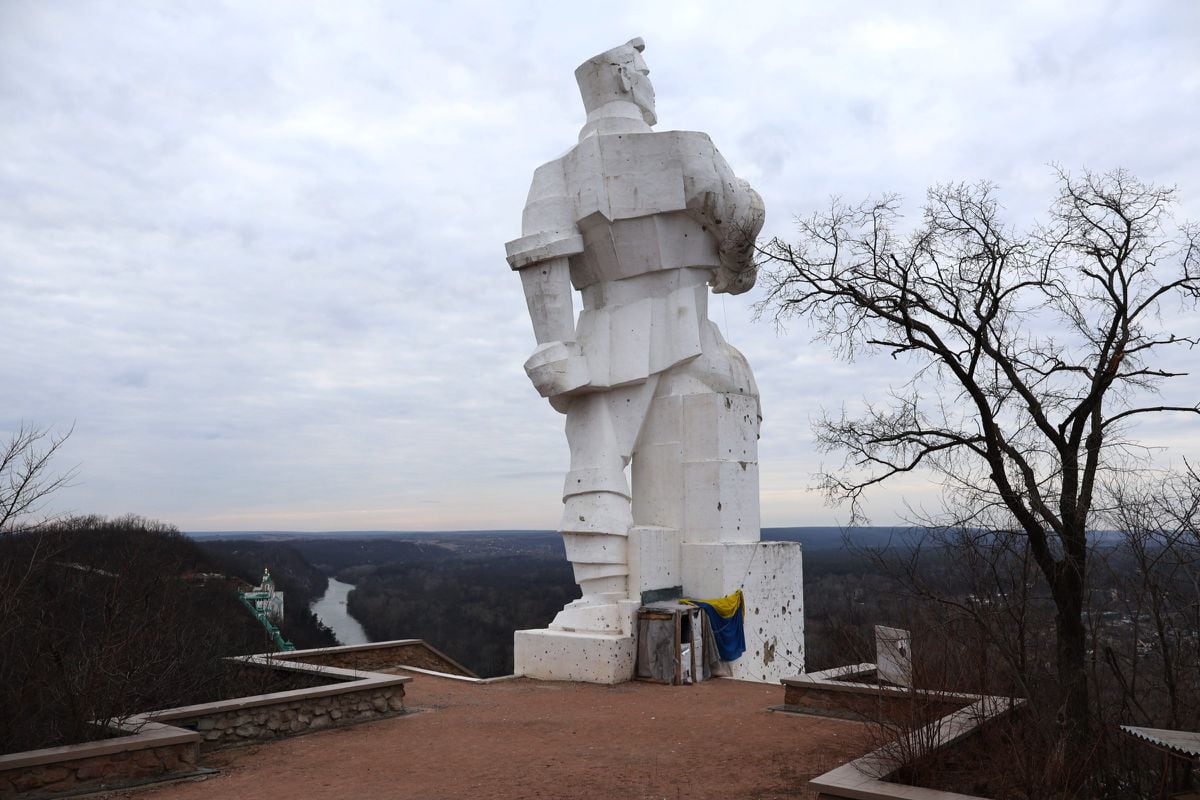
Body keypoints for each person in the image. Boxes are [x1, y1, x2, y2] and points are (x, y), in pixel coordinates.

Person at [506, 38, 765, 634]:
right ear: (624, 79)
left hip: (603, 335)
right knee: (599, 459)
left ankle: (601, 599)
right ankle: (604, 602)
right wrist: (738, 244)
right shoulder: (688, 149)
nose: (650, 85)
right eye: (643, 73)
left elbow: (541, 262)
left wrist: (556, 347)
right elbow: (738, 224)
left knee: (594, 459)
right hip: (687, 332)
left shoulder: (552, 176)